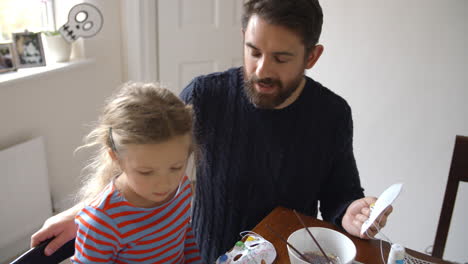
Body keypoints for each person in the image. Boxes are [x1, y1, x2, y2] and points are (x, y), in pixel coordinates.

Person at [31, 0, 392, 263]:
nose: (261, 70)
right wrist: (84, 210)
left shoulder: (332, 113)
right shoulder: (205, 94)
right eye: (253, 51)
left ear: (311, 57)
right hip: (204, 253)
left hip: (286, 255)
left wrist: (351, 213)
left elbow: (341, 195)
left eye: (281, 59)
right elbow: (141, 152)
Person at [69, 82, 201, 263]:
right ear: (115, 157)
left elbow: (185, 237)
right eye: (146, 172)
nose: (165, 184)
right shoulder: (102, 222)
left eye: (176, 167)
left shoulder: (182, 187)